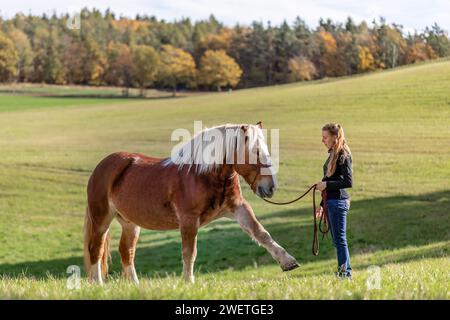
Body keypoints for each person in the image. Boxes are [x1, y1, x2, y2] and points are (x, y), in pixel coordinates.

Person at [315, 123, 353, 279]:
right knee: (338, 241)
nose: (322, 140)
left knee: (340, 241)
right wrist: (322, 206)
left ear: (334, 138)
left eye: (325, 137)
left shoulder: (343, 154)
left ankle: (345, 274)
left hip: (338, 202)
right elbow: (329, 179)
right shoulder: (333, 154)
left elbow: (348, 182)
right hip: (331, 202)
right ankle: (344, 272)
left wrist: (326, 184)